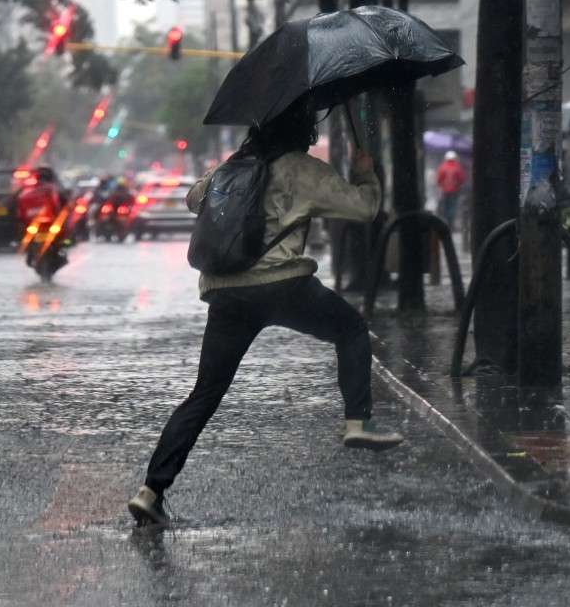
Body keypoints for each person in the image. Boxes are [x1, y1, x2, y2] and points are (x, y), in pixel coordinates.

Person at [127, 99, 403, 528]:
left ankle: (151, 490)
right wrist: (364, 171)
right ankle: (357, 421)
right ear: (303, 131)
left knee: (204, 395)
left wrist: (235, 161)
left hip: (226, 294)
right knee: (350, 329)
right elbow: (364, 209)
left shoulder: (231, 168)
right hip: (282, 286)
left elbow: (193, 198)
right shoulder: (301, 169)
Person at [436, 150, 467, 228]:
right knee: (453, 206)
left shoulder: (442, 167)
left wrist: (442, 186)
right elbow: (462, 179)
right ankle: (451, 222)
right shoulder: (457, 167)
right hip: (454, 191)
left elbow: (439, 179)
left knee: (446, 206)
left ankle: (446, 222)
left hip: (445, 191)